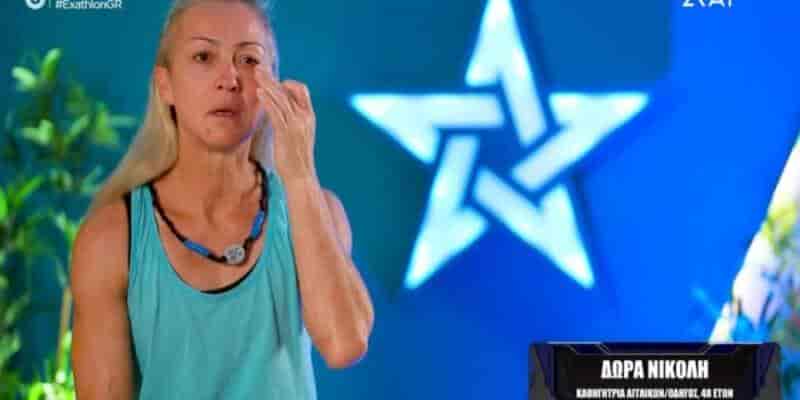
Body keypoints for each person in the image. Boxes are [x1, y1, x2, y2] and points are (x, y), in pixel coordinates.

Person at [69, 0, 374, 398]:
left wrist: (300, 175)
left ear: (272, 86)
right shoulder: (110, 238)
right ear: (165, 85)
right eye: (203, 56)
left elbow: (344, 344)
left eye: (249, 60)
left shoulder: (317, 211)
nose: (229, 79)